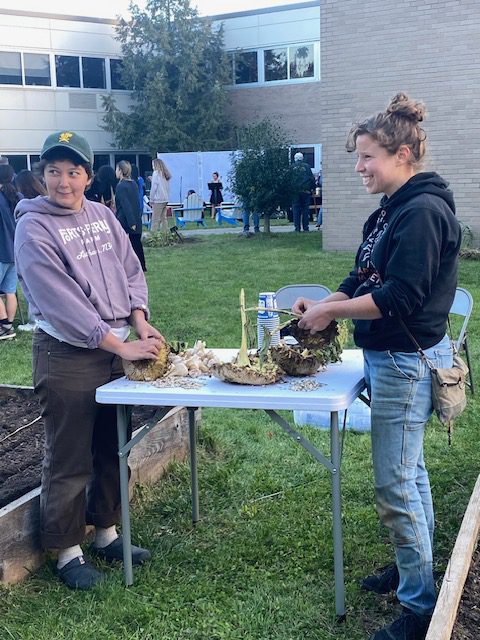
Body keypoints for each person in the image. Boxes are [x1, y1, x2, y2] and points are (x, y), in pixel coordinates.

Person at [292, 93, 461, 640]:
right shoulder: (390, 209)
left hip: (406, 361)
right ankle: (413, 569)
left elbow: (399, 296)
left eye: (368, 157)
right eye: (358, 157)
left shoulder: (423, 212)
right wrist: (326, 301)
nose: (359, 167)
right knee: (411, 473)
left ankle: (418, 609)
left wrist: (330, 310)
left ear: (404, 154)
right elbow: (364, 275)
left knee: (394, 485)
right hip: (391, 357)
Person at [14, 130, 165, 590]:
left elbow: (130, 268)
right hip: (69, 354)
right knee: (69, 453)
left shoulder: (101, 213)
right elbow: (59, 301)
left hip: (118, 348)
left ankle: (106, 533)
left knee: (111, 445)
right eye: (54, 172)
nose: (64, 182)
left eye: (73, 171)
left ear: (86, 174)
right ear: (41, 177)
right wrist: (119, 345)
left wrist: (140, 321)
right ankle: (66, 550)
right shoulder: (32, 227)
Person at [13, 170, 47, 331]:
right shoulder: (47, 201)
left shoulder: (24, 205)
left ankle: (35, 321)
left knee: (32, 284)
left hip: (32, 248)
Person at [0, 162, 21, 340]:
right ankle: (9, 325)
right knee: (10, 291)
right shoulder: (17, 196)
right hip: (16, 251)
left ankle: (4, 325)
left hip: (1, 251)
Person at [115, 160, 147, 272]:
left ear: (120, 170)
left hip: (125, 220)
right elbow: (137, 203)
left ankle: (126, 266)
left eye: (117, 169)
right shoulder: (134, 183)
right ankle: (141, 265)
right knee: (136, 244)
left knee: (122, 244)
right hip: (135, 218)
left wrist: (131, 222)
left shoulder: (121, 186)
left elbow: (126, 205)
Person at [291, 152, 315, 232]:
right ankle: (306, 228)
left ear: (295, 159)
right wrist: (313, 189)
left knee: (296, 210)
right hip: (306, 191)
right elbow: (311, 179)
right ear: (302, 158)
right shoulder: (307, 167)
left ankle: (297, 228)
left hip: (295, 192)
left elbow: (289, 179)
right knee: (305, 210)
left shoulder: (292, 167)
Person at [149, 158, 171, 233]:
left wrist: (151, 199)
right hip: (165, 199)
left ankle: (153, 235)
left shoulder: (156, 173)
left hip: (158, 199)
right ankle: (165, 233)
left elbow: (154, 187)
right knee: (163, 218)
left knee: (155, 219)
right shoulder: (165, 174)